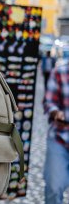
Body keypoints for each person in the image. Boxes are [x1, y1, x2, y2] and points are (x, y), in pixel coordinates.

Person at [43, 61, 69, 204]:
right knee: (53, 187)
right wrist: (55, 112)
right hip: (60, 137)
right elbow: (49, 102)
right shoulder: (60, 72)